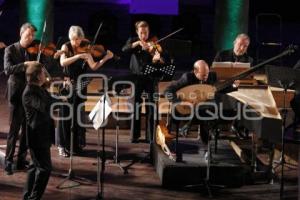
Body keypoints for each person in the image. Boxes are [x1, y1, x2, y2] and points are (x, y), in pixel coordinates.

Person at [58, 25, 113, 156]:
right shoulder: (66, 47)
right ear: (71, 38)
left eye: (79, 39)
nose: (77, 43)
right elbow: (63, 63)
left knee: (77, 116)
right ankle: (62, 146)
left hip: (81, 85)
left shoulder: (86, 48)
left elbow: (93, 66)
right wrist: (78, 57)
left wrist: (105, 58)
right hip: (68, 85)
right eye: (75, 40)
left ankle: (75, 145)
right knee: (65, 116)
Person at [164, 60, 238, 144]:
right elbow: (167, 91)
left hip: (205, 109)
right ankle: (200, 135)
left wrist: (234, 86)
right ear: (195, 72)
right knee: (205, 112)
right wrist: (181, 102)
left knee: (210, 109)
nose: (206, 77)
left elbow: (220, 89)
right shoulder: (187, 78)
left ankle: (203, 138)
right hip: (189, 109)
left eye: (207, 73)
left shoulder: (211, 76)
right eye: (203, 75)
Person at [122, 20, 169, 143]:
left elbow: (163, 59)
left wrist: (157, 59)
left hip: (151, 78)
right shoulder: (133, 41)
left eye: (146, 32)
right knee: (135, 106)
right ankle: (134, 136)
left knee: (152, 107)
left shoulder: (153, 43)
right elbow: (124, 50)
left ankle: (151, 136)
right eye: (141, 33)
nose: (144, 35)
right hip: (136, 78)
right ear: (137, 32)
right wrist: (137, 43)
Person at [3, 23, 37, 175]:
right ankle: (8, 161)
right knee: (14, 130)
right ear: (21, 33)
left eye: (32, 36)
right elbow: (8, 70)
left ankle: (21, 160)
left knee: (27, 129)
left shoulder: (33, 51)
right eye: (28, 35)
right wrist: (24, 64)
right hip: (16, 94)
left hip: (29, 95)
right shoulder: (10, 49)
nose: (30, 38)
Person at [22, 62, 54, 200]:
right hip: (37, 136)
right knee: (44, 168)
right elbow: (43, 106)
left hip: (42, 134)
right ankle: (34, 197)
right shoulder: (29, 92)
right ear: (37, 76)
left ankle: (27, 195)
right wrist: (47, 86)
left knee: (34, 166)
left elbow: (51, 101)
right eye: (42, 73)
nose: (45, 75)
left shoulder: (38, 88)